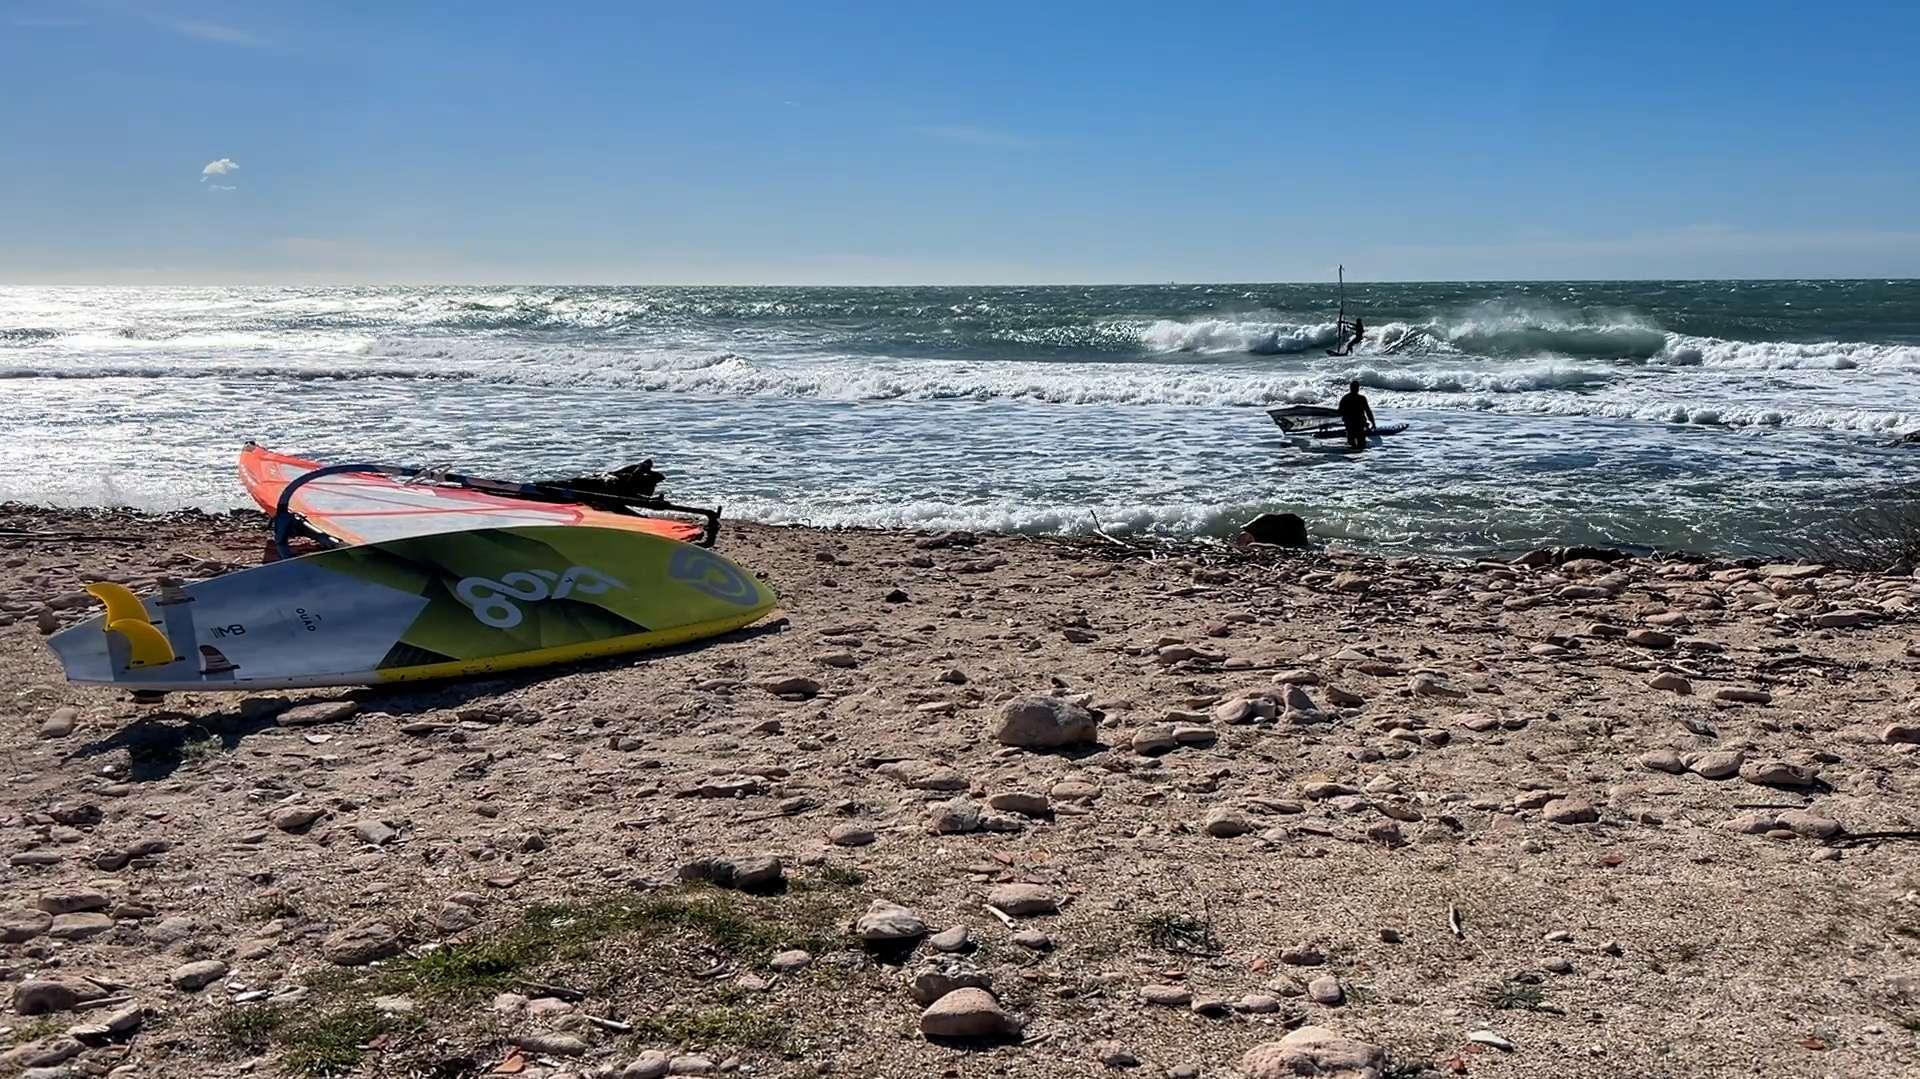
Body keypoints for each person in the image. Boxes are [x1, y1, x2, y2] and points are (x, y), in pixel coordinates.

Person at [1337, 379, 1375, 449]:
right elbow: (1368, 411)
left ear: (1350, 388)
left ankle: (1352, 457)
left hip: (1350, 425)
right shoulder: (1362, 398)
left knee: (1351, 445)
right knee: (1361, 445)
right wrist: (1373, 423)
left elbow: (1339, 411)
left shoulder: (1345, 398)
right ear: (1358, 388)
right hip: (1359, 425)